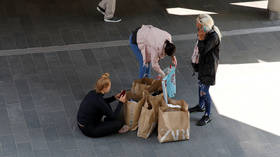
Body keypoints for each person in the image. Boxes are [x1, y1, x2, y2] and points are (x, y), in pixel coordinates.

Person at [189, 14, 222, 126]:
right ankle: (200, 106)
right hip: (203, 65)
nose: (197, 29)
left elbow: (203, 51)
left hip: (209, 68)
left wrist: (201, 39)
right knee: (200, 86)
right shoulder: (206, 32)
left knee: (204, 91)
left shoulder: (213, 37)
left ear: (205, 26)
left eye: (199, 27)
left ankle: (207, 115)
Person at [77, 73, 129, 137]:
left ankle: (106, 121)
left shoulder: (92, 92)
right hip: (89, 130)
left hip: (82, 123)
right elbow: (114, 116)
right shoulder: (99, 101)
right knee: (118, 123)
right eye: (109, 86)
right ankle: (115, 128)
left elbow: (102, 102)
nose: (110, 87)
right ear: (105, 88)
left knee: (106, 105)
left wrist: (114, 97)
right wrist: (121, 102)